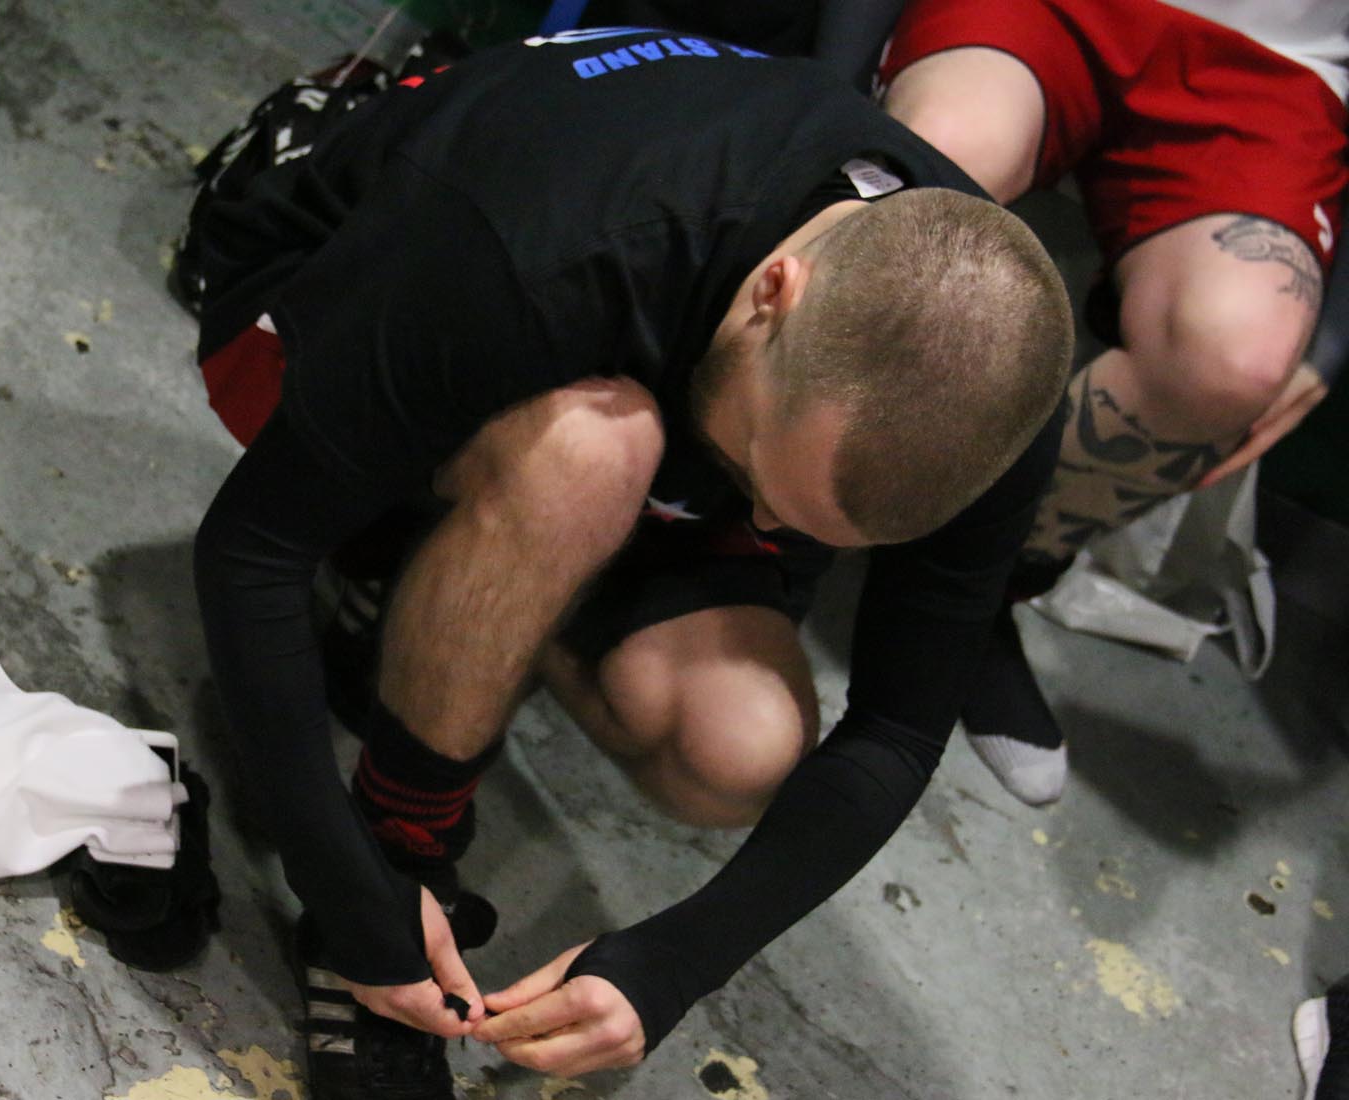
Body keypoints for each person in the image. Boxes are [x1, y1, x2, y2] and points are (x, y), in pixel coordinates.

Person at [185, 27, 1073, 1098]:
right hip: (341, 290)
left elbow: (897, 729)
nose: (766, 521)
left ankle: (459, 584)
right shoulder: (556, 239)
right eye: (761, 472)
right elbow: (252, 550)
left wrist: (677, 963)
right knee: (593, 452)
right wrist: (348, 880)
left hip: (629, 387)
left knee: (739, 747)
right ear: (775, 292)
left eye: (802, 527)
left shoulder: (996, 389)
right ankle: (403, 824)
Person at [878, 0, 1349, 804]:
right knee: (928, 171)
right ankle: (759, 531)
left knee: (1237, 359)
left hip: (1277, 59)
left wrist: (1336, 329)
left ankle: (969, 589)